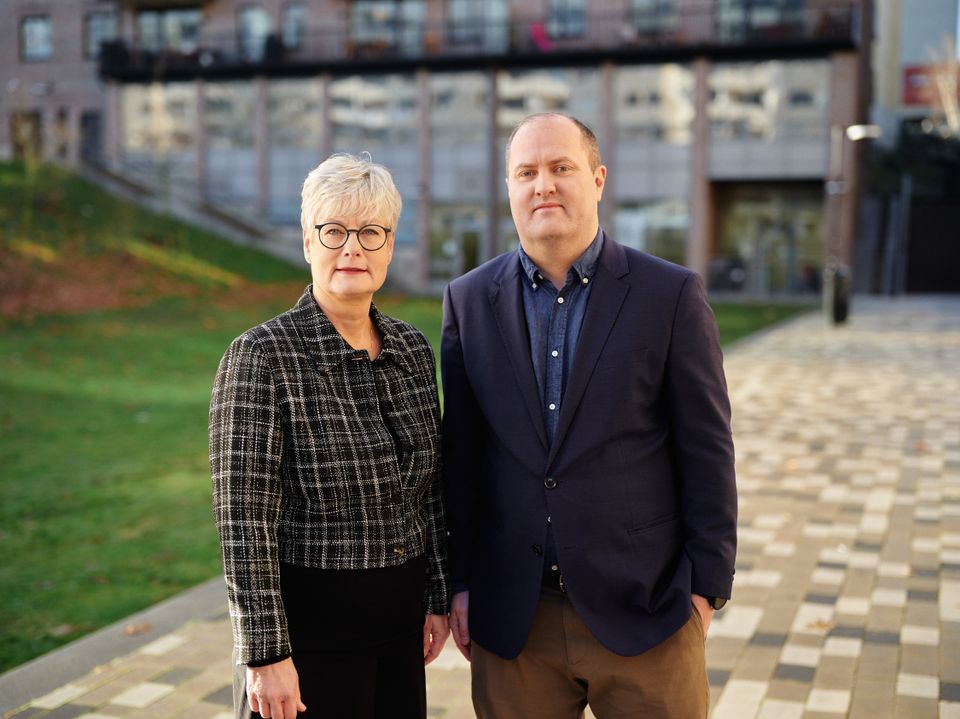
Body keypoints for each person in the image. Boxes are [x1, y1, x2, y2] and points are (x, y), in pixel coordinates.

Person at [440, 113, 737, 718]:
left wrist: (706, 589)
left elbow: (707, 447)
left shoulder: (669, 294)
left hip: (647, 613)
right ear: (509, 189)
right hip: (515, 624)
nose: (542, 185)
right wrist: (460, 583)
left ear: (598, 179)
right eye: (526, 172)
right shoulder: (468, 300)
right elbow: (463, 461)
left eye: (561, 168)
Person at [210, 153, 449, 719]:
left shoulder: (412, 349)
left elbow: (431, 491)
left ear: (390, 244)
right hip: (308, 644)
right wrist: (265, 655)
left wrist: (438, 596)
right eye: (335, 230)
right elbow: (243, 519)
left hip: (400, 632)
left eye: (371, 232)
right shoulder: (261, 356)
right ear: (308, 242)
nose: (353, 248)